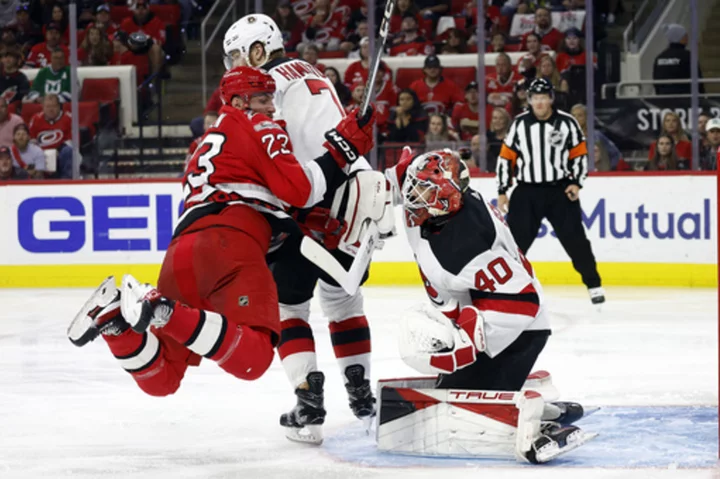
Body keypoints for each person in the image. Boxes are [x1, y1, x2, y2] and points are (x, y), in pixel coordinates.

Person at [67, 65, 376, 400]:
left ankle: (115, 323)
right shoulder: (258, 124)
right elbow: (301, 190)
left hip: (181, 250)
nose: (270, 107)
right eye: (261, 99)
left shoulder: (205, 142)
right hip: (231, 239)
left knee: (164, 379)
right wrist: (344, 147)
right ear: (240, 102)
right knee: (255, 358)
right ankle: (161, 307)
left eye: (270, 98)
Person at [223, 13, 394, 444]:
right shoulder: (313, 72)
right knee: (344, 303)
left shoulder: (265, 87)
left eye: (236, 57)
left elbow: (272, 153)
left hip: (306, 204)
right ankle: (361, 395)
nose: (233, 68)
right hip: (353, 199)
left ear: (258, 51)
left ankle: (308, 402)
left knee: (290, 309)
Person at [382, 147, 591, 463]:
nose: (412, 194)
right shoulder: (434, 206)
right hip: (485, 307)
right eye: (415, 184)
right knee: (449, 393)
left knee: (459, 413)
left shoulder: (464, 245)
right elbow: (402, 176)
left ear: (445, 197)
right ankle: (542, 404)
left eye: (423, 188)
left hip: (518, 328)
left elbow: (523, 300)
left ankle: (536, 416)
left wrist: (467, 342)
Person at [496, 78, 604, 305]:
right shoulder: (519, 124)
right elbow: (507, 158)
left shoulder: (567, 123)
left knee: (575, 240)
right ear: (530, 100)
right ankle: (505, 288)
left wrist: (576, 182)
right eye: (535, 98)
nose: (540, 102)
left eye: (543, 97)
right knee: (514, 243)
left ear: (551, 99)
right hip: (527, 192)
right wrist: (503, 190)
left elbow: (579, 154)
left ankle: (593, 284)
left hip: (559, 191)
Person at [28, 94, 73, 178]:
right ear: (43, 107)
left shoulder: (68, 118)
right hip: (41, 153)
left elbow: (72, 141)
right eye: (48, 106)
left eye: (54, 106)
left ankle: (66, 182)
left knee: (68, 151)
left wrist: (57, 151)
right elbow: (31, 140)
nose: (51, 109)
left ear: (59, 106)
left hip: (61, 153)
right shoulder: (35, 119)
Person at [653, 24, 704, 96]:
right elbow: (698, 79)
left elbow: (656, 81)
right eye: (685, 35)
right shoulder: (688, 56)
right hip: (685, 100)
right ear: (680, 38)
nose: (687, 38)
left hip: (664, 99)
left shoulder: (660, 57)